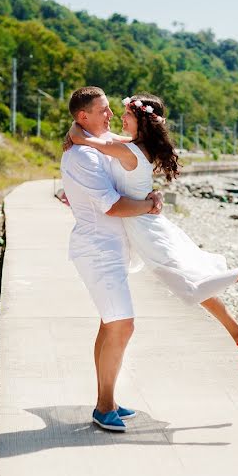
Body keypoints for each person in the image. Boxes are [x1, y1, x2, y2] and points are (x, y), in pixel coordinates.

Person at [66, 92, 238, 373]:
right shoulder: (134, 145)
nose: (118, 117)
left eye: (126, 114)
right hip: (146, 226)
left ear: (141, 121)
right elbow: (97, 145)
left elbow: (82, 138)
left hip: (145, 230)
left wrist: (76, 127)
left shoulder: (128, 150)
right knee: (195, 278)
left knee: (191, 289)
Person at [60, 86, 163, 433]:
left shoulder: (95, 143)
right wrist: (150, 205)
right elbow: (113, 205)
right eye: (102, 111)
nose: (109, 116)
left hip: (111, 247)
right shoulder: (83, 157)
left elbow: (118, 142)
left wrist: (75, 134)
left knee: (109, 323)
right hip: (97, 250)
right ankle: (104, 407)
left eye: (109, 109)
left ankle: (110, 400)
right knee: (123, 324)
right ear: (82, 116)